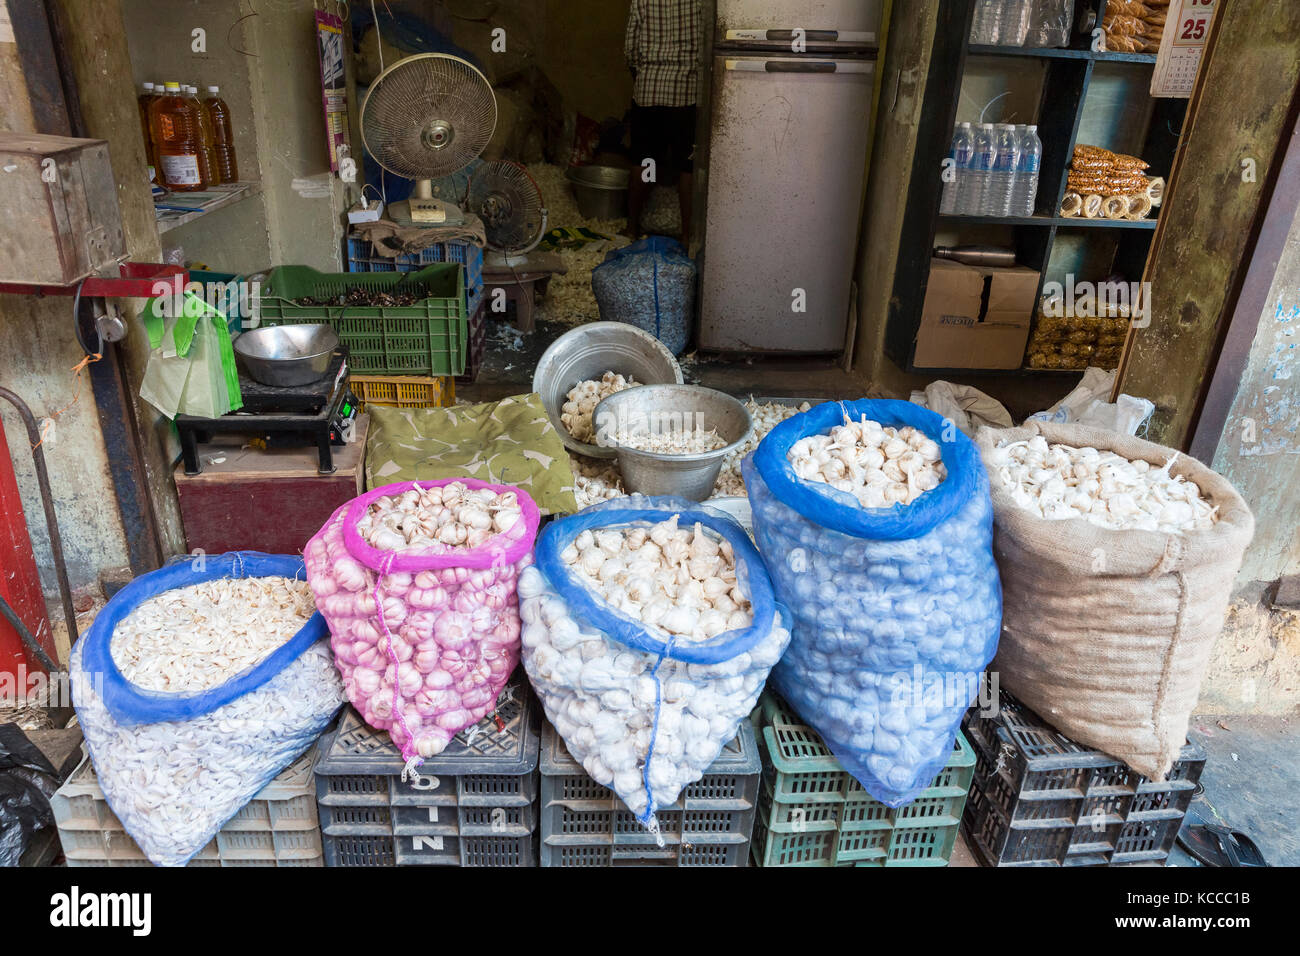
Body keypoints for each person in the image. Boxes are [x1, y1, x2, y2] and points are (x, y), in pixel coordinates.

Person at [623, 0, 701, 247]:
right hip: (686, 91)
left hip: (648, 91)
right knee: (687, 166)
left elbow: (630, 50)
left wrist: (645, 74)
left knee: (645, 160)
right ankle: (688, 237)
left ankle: (632, 228)